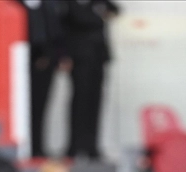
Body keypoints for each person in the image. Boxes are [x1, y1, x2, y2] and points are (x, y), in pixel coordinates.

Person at [62, 0, 119, 160]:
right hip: (79, 58)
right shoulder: (70, 4)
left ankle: (91, 146)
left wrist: (101, 11)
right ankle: (74, 146)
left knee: (96, 102)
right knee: (79, 101)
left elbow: (115, 9)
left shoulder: (98, 2)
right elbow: (76, 21)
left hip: (98, 58)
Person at [20, 0, 68, 159]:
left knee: (42, 107)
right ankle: (27, 146)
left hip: (46, 65)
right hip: (22, 66)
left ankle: (38, 146)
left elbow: (56, 32)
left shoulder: (49, 5)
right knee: (24, 109)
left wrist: (54, 56)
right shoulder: (16, 5)